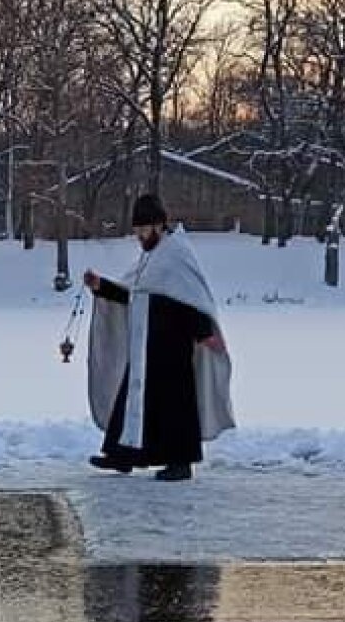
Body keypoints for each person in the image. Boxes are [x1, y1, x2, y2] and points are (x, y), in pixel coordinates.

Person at [82, 194, 234, 481]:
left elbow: (191, 298)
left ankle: (181, 462)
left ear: (160, 225)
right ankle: (122, 455)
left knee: (176, 403)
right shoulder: (152, 256)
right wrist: (101, 287)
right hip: (146, 344)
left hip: (173, 345)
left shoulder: (175, 254)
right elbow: (134, 294)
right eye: (137, 231)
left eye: (144, 230)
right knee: (134, 399)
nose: (140, 236)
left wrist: (203, 333)